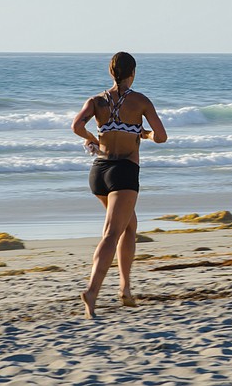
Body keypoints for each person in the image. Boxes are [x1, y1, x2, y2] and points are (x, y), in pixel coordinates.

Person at [71, 52, 167, 319]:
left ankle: (125, 289)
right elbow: (161, 137)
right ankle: (91, 292)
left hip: (99, 172)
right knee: (112, 233)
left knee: (129, 226)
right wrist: (142, 133)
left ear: (111, 72)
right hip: (124, 171)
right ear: (132, 72)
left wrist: (92, 138)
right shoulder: (140, 101)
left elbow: (76, 125)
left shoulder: (96, 100)